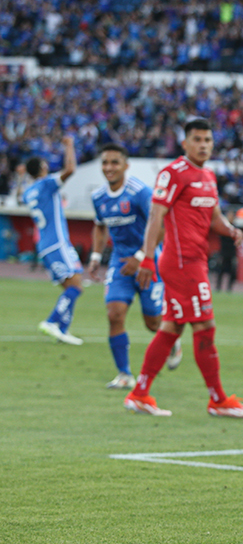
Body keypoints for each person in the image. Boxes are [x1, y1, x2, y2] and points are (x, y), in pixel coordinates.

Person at [124, 118, 243, 418]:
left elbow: (214, 217)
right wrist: (146, 257)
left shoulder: (208, 175)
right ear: (184, 143)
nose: (203, 145)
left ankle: (140, 393)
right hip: (182, 263)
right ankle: (218, 400)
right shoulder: (173, 173)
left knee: (172, 327)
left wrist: (230, 230)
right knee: (205, 327)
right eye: (197, 139)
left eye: (208, 140)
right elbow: (156, 215)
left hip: (195, 260)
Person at [87, 143, 183, 389]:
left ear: (126, 166)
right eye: (105, 163)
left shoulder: (140, 192)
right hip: (120, 265)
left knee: (152, 323)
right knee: (114, 314)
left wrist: (141, 257)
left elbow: (160, 225)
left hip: (150, 263)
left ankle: (173, 341)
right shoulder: (98, 197)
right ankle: (124, 374)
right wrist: (96, 257)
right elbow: (100, 225)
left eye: (114, 162)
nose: (109, 168)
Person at [22, 136, 84, 345]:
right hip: (57, 242)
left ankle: (62, 329)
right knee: (75, 286)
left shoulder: (29, 191)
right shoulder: (47, 184)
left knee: (72, 286)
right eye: (45, 164)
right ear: (41, 168)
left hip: (46, 245)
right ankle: (51, 322)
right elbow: (70, 170)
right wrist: (69, 146)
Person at [216, 209, 238, 292]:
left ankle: (229, 287)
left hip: (232, 252)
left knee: (232, 271)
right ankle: (218, 286)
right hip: (223, 252)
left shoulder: (235, 228)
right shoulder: (224, 227)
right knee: (220, 270)